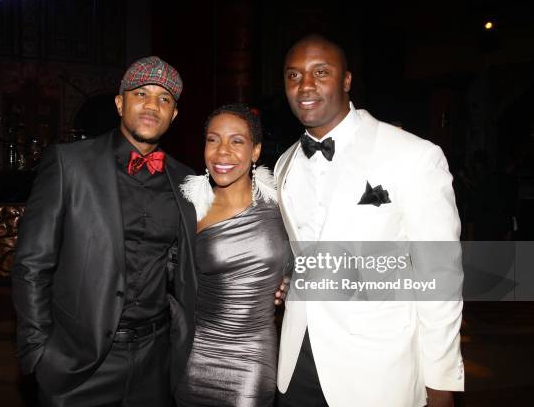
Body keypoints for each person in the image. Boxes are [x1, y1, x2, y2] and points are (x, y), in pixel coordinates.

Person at [275, 35, 464, 407]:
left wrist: (440, 379)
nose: (305, 85)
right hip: (297, 361)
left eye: (321, 72)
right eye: (293, 75)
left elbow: (440, 275)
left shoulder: (414, 156)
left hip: (377, 369)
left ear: (347, 81)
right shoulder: (285, 164)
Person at [11, 56, 198, 406]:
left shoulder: (188, 181)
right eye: (141, 93)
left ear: (173, 115)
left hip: (155, 362)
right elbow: (32, 265)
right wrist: (37, 351)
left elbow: (195, 259)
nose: (151, 105)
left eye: (164, 99)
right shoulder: (70, 164)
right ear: (119, 102)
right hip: (80, 362)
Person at [175, 104, 293, 407]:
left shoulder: (281, 201)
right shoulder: (188, 207)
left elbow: (312, 249)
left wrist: (293, 282)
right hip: (195, 354)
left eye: (236, 141)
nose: (222, 152)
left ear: (255, 151)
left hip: (252, 357)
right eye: (213, 140)